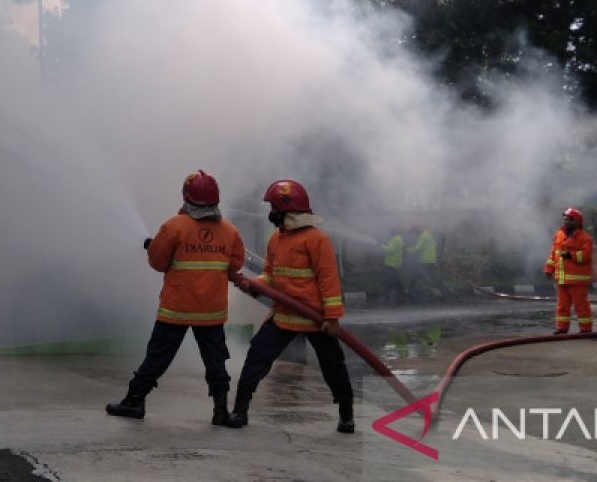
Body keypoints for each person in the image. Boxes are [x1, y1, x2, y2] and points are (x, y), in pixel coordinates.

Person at [106, 170, 245, 425]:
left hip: (176, 309)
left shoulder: (174, 226)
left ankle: (135, 401)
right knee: (215, 361)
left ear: (186, 197)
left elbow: (158, 262)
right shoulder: (230, 231)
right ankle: (221, 412)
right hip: (211, 312)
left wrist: (155, 247)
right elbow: (234, 265)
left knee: (157, 357)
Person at [225, 179, 354, 434]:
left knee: (334, 366)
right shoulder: (276, 240)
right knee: (256, 358)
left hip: (315, 318)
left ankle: (346, 414)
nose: (270, 213)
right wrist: (254, 285)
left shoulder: (317, 240)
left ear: (287, 209)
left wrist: (332, 317)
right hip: (283, 314)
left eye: (273, 208)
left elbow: (328, 280)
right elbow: (271, 274)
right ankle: (240, 410)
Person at [543, 207, 594, 334]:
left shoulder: (584, 238)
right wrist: (549, 268)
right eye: (564, 219)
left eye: (567, 219)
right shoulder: (559, 235)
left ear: (576, 221)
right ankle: (562, 328)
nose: (565, 221)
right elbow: (554, 254)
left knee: (581, 306)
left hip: (577, 280)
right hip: (562, 278)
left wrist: (571, 255)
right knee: (562, 306)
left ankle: (585, 329)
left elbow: (586, 255)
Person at [405, 228, 438, 301]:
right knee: (431, 277)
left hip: (426, 261)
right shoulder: (426, 234)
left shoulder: (423, 236)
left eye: (415, 231)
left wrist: (406, 250)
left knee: (417, 276)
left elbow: (418, 248)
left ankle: (410, 292)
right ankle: (438, 290)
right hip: (429, 260)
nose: (415, 234)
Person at [381, 231, 406, 304]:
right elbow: (389, 246)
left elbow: (389, 249)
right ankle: (401, 297)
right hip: (393, 264)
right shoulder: (396, 238)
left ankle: (387, 298)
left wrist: (381, 246)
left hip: (392, 264)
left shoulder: (396, 239)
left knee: (390, 281)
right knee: (396, 281)